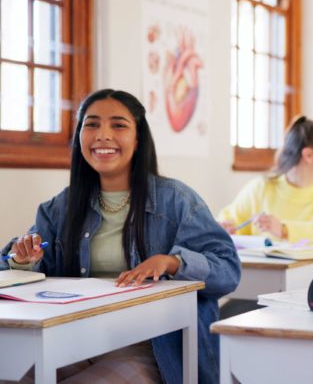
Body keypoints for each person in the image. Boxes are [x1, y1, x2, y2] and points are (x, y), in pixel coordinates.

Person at [0, 89, 241, 384]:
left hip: (153, 348)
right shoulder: (58, 208)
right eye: (91, 125)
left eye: (118, 125)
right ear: (78, 137)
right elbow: (16, 267)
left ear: (138, 139)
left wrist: (172, 262)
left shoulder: (176, 200)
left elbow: (228, 270)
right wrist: (23, 262)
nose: (102, 135)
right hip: (74, 340)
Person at [218, 116, 313, 244]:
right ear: (309, 155)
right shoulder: (260, 188)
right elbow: (229, 223)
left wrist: (284, 230)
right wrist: (223, 230)